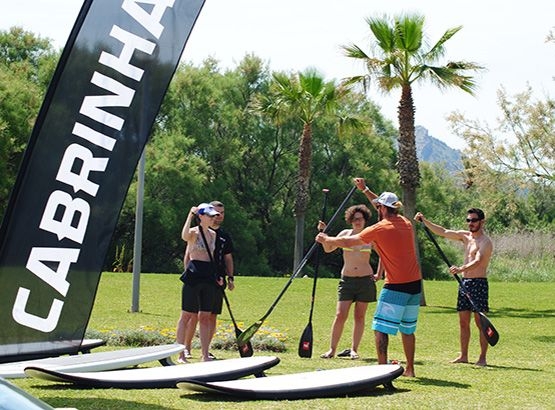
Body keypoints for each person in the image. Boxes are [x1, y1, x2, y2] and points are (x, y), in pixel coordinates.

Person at [316, 178, 422, 377]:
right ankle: (410, 369)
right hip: (415, 284)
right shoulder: (406, 223)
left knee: (380, 328)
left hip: (396, 286)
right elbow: (379, 203)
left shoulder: (379, 229)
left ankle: (382, 371)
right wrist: (365, 189)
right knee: (407, 329)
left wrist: (327, 239)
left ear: (381, 208)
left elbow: (351, 240)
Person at [415, 209, 493, 366]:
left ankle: (482, 358)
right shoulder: (465, 237)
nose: (470, 223)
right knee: (463, 322)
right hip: (464, 283)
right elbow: (443, 232)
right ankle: (463, 355)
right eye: (468, 220)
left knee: (480, 322)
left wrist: (460, 269)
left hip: (478, 283)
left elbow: (478, 261)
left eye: (474, 220)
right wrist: (425, 221)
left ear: (482, 222)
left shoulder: (485, 242)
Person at [177, 201, 235, 362]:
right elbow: (184, 236)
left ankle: (205, 354)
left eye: (214, 216)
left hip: (208, 274)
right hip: (194, 273)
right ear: (201, 216)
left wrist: (224, 276)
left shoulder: (214, 235)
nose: (213, 219)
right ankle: (181, 353)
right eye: (209, 216)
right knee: (186, 315)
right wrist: (190, 215)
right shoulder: (193, 233)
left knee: (206, 315)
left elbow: (219, 256)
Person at [319, 204, 379, 360]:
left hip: (365, 280)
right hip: (347, 280)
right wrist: (323, 235)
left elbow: (384, 254)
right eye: (354, 219)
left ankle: (354, 349)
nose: (357, 222)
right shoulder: (345, 234)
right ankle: (332, 350)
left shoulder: (370, 235)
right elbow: (328, 248)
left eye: (360, 219)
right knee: (340, 315)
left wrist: (380, 274)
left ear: (365, 219)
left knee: (359, 316)